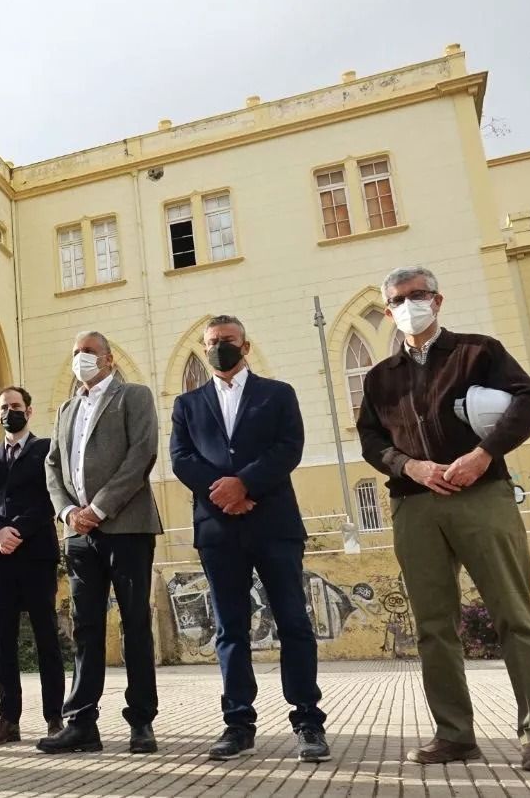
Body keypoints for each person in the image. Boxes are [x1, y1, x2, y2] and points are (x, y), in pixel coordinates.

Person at [358, 265, 530, 772]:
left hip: (481, 496)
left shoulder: (479, 352)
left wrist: (482, 454)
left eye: (419, 295)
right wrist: (411, 467)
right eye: (399, 300)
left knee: (514, 615)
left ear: (438, 299)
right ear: (388, 312)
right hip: (415, 504)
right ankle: (454, 735)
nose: (410, 305)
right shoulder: (380, 377)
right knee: (433, 626)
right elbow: (371, 441)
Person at [169, 316, 330, 763]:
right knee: (230, 629)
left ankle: (308, 721)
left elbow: (288, 447)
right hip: (219, 529)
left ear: (246, 345)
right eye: (213, 342)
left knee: (293, 623)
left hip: (273, 523)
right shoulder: (188, 404)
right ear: (204, 349)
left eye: (228, 341)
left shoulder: (278, 394)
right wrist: (223, 492)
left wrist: (245, 485)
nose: (221, 347)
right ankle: (238, 723)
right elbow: (181, 458)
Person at [41, 331, 162, 755]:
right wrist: (68, 513)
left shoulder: (134, 396)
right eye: (76, 352)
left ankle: (141, 721)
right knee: (85, 628)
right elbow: (52, 464)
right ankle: (81, 723)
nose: (81, 358)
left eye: (88, 352)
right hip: (78, 534)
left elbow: (142, 453)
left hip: (126, 527)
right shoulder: (66, 408)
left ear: (108, 359)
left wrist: (100, 507)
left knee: (134, 624)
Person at [0, 386, 65, 746]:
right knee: (3, 641)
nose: (9, 411)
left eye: (15, 406)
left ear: (29, 410)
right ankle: (8, 719)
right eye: (3, 406)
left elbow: (50, 497)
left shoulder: (45, 450)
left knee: (46, 638)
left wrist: (18, 531)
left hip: (36, 553)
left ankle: (55, 717)